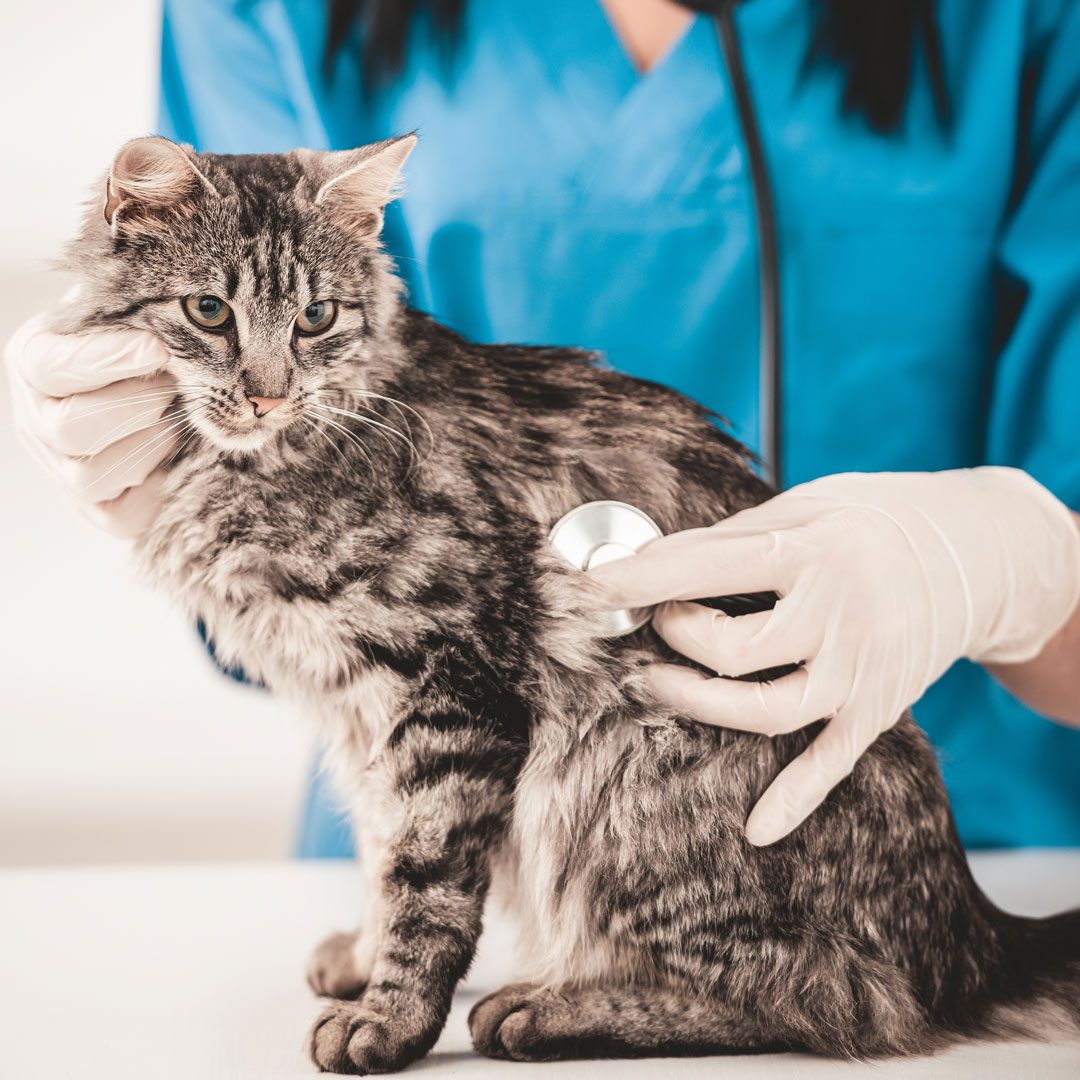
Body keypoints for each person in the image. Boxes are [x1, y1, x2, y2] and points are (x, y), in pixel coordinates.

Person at [6, 0, 1080, 855]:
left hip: (951, 841)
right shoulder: (275, 9)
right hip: (448, 828)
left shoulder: (1027, 18)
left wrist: (1011, 565)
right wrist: (166, 473)